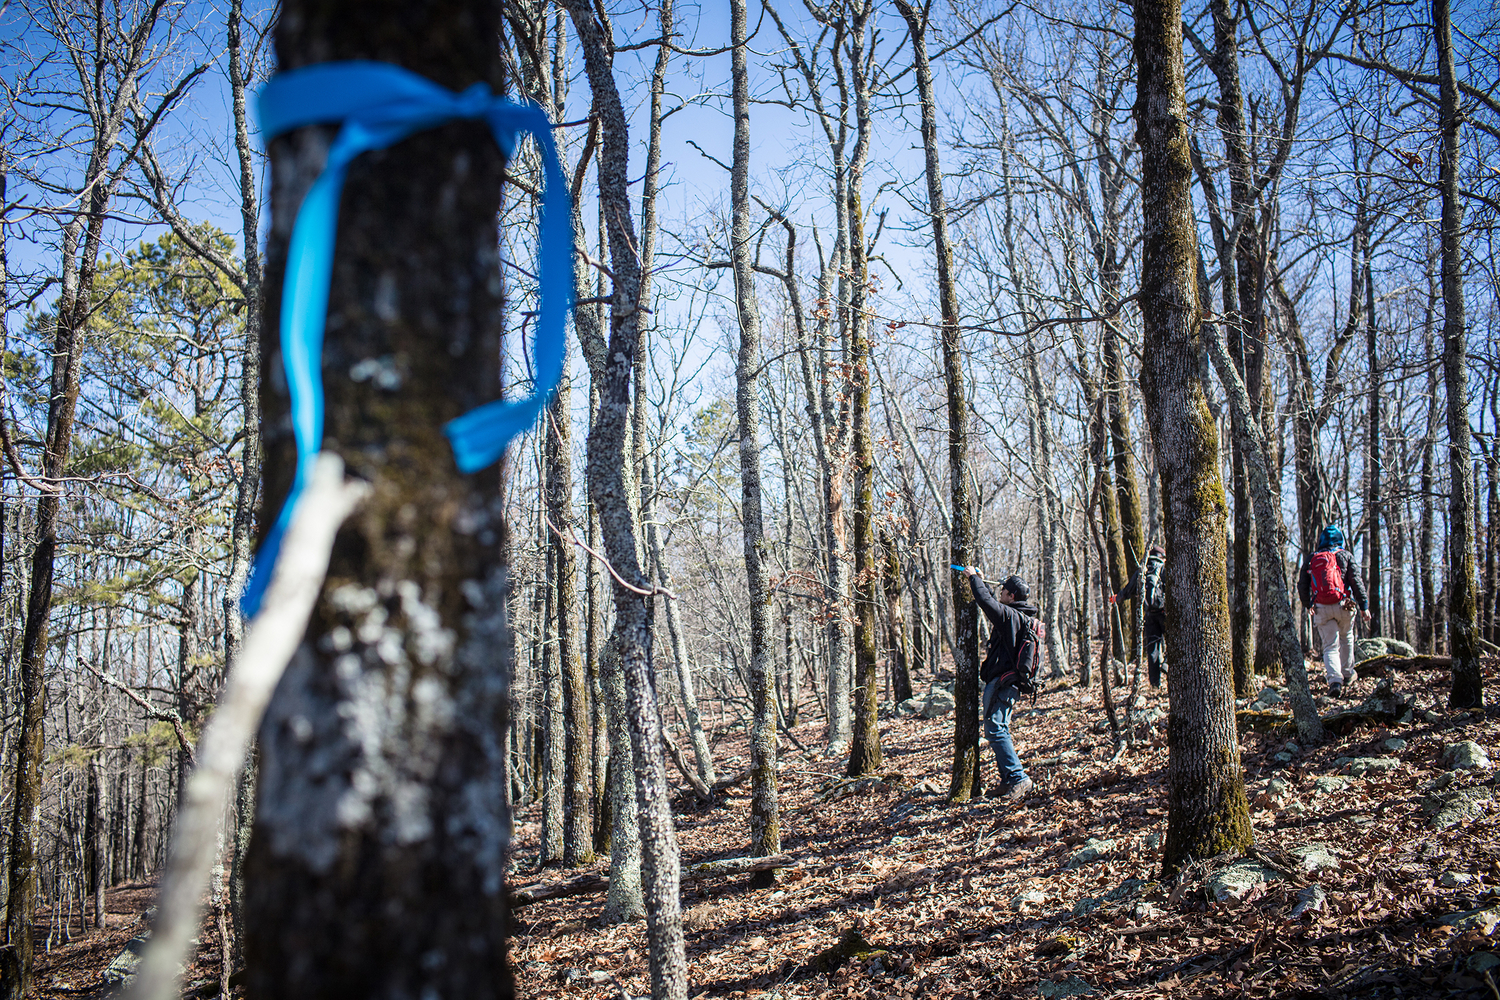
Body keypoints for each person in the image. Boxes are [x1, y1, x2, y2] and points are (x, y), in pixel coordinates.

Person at [963, 567, 1040, 802]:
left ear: (1012, 596)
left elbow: (987, 603)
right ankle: (1008, 780)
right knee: (999, 729)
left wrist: (973, 578)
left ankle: (1018, 778)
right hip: (1009, 683)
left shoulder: (1010, 617)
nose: (1001, 593)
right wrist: (979, 580)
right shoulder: (1019, 617)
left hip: (1003, 683)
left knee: (996, 729)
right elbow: (992, 601)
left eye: (1004, 591)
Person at [1297, 525, 1370, 698]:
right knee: (1347, 638)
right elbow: (1356, 582)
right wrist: (1364, 606)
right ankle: (1347, 674)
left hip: (1321, 607)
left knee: (1330, 645)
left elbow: (1302, 585)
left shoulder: (1312, 558)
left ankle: (1334, 681)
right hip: (1343, 604)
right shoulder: (1345, 555)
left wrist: (1308, 605)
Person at [1112, 545, 1167, 687]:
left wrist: (1116, 598)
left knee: (1152, 650)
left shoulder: (1142, 570)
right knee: (1173, 642)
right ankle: (1167, 664)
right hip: (1164, 613)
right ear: (1162, 557)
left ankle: (1155, 685)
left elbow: (1129, 589)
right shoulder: (1163, 568)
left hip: (1149, 614)